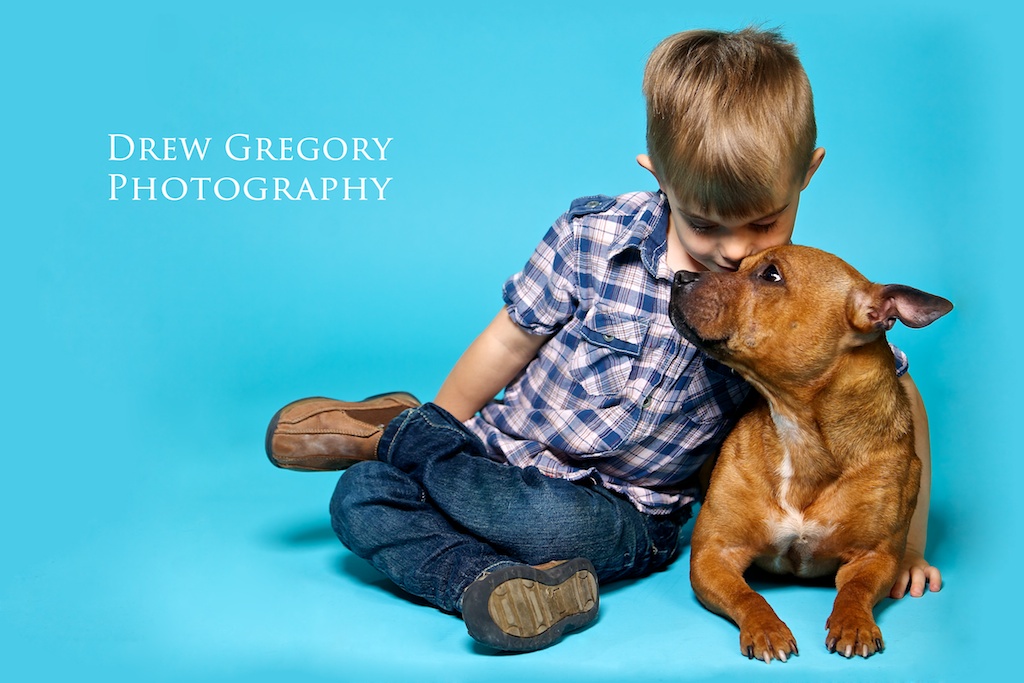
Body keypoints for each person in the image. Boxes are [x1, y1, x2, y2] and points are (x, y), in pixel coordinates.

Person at [265, 27, 941, 653]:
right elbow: (507, 343)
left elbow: (893, 395)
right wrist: (450, 422)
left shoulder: (786, 311)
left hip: (619, 511)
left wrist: (905, 545)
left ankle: (478, 576)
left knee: (543, 527)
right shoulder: (592, 238)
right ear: (658, 176)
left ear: (807, 175)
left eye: (763, 224)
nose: (733, 251)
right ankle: (417, 431)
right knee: (357, 498)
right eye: (705, 225)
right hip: (500, 456)